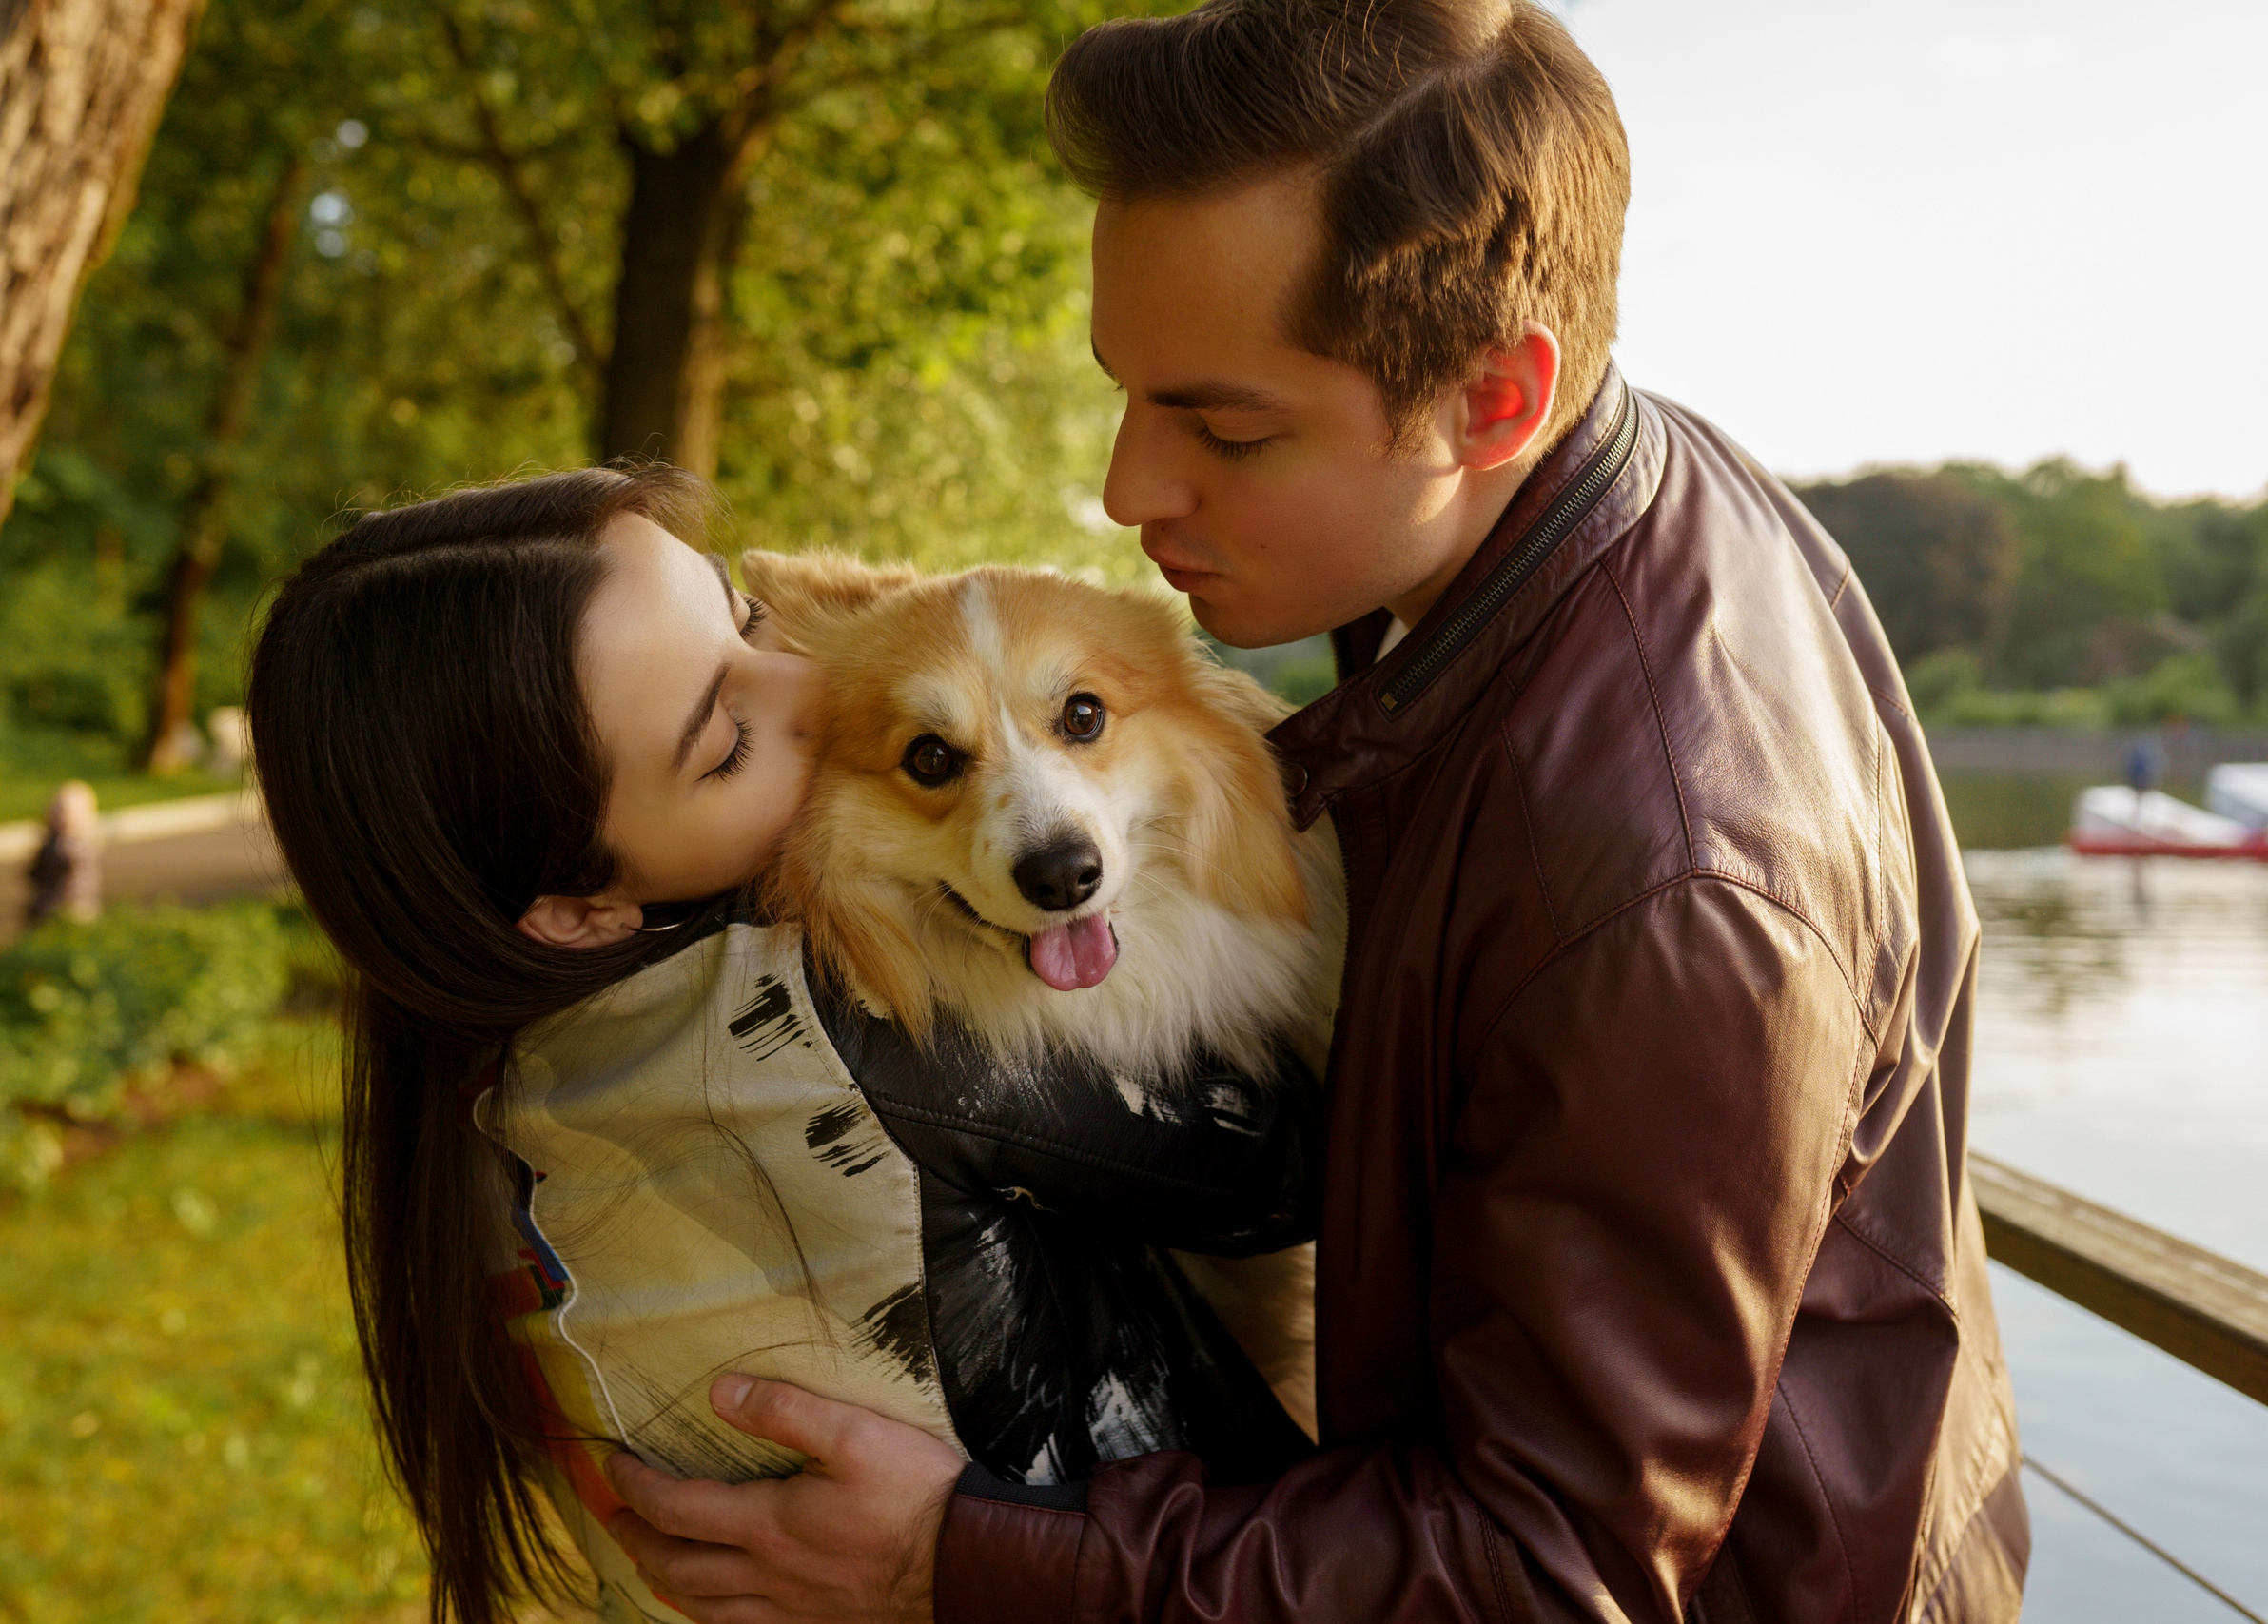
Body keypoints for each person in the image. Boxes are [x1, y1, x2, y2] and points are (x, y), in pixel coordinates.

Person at [599, 0, 2028, 1620]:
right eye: (1129, 392)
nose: (1128, 489)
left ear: (1494, 397)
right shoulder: (1551, 507)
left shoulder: (1662, 884)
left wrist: (960, 1557)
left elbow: (1549, 1572)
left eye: (1225, 426)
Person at [244, 466, 1321, 1624]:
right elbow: (1304, 1174)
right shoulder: (847, 1028)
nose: (811, 683)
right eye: (724, 741)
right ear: (576, 905)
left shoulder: (518, 1066)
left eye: (744, 618)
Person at [23, 779, 102, 929]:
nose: (60, 815)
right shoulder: (50, 841)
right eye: (56, 809)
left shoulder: (79, 846)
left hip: (73, 905)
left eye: (66, 811)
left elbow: (78, 880)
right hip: (45, 902)